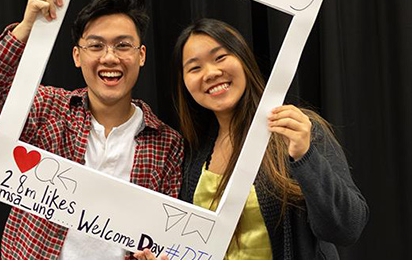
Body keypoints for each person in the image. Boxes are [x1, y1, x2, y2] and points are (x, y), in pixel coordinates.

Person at [0, 0, 183, 259]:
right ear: (76, 56)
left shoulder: (167, 144)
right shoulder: (45, 109)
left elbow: (165, 238)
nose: (110, 57)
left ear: (141, 55)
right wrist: (24, 29)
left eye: (123, 45)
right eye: (96, 46)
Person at [134, 19, 368, 260]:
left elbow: (347, 229)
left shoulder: (296, 131)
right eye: (194, 68)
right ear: (184, 83)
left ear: (244, 60)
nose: (211, 73)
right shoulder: (193, 153)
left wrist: (304, 155)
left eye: (220, 57)